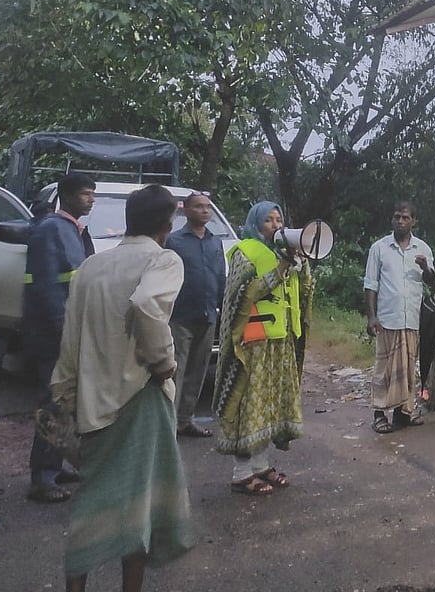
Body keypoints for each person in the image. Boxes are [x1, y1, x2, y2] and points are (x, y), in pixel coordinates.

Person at [50, 184, 192, 592]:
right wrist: (164, 362)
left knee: (90, 506)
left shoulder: (92, 266)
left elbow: (70, 336)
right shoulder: (163, 260)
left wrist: (65, 392)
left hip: (94, 403)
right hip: (140, 401)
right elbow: (147, 306)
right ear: (167, 225)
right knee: (139, 510)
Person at [212, 201, 304, 496]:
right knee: (249, 406)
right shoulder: (245, 251)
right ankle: (242, 473)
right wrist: (280, 270)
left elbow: (297, 293)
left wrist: (299, 266)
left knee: (269, 406)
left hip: (278, 342)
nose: (276, 225)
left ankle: (261, 464)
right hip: (252, 344)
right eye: (269, 220)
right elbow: (242, 293)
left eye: (279, 219)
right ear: (256, 223)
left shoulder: (280, 252)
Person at [24, 172, 96, 504]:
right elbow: (46, 288)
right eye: (85, 194)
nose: (91, 199)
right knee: (52, 404)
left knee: (65, 402)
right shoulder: (51, 229)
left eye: (91, 194)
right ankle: (42, 478)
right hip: (54, 335)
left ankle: (56, 465)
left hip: (69, 333)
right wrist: (63, 333)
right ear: (65, 196)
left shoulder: (75, 231)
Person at [364, 201, 435, 434]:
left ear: (414, 221)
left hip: (411, 319)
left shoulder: (422, 249)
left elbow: (433, 283)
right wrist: (371, 317)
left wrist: (426, 267)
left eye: (405, 218)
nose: (401, 221)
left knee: (406, 369)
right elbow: (370, 284)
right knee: (384, 369)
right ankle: (378, 414)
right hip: (387, 319)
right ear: (392, 220)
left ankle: (402, 414)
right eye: (397, 217)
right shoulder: (380, 248)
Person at [166, 192, 226, 438]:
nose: (204, 211)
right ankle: (168, 424)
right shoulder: (174, 241)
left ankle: (185, 420)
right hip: (181, 315)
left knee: (198, 370)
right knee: (176, 370)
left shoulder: (215, 242)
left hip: (208, 313)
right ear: (187, 211)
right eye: (198, 207)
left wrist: (221, 305)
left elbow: (221, 276)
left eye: (207, 207)